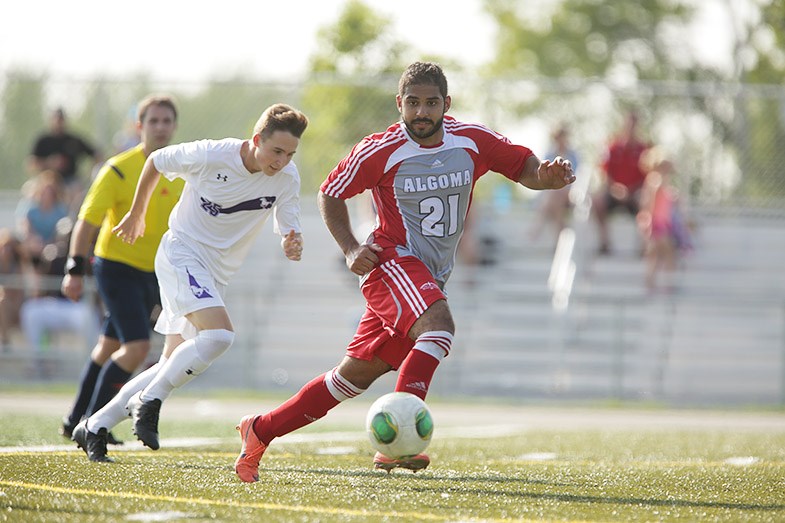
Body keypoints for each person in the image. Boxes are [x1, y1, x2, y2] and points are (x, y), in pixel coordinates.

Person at [232, 61, 575, 483]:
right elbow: (330, 192)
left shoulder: (472, 140)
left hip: (426, 276)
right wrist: (351, 247)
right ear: (400, 104)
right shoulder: (380, 148)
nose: (421, 112)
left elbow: (525, 169)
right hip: (390, 263)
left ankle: (259, 430)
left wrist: (548, 177)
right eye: (413, 103)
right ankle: (398, 447)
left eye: (431, 103)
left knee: (350, 379)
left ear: (446, 104)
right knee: (439, 329)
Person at [71, 103, 309, 463]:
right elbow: (156, 162)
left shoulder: (287, 175)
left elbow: (288, 222)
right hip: (181, 252)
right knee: (219, 336)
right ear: (256, 139)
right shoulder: (213, 154)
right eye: (276, 151)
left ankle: (95, 425)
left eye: (289, 153)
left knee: (169, 360)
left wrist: (292, 240)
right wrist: (137, 212)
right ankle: (151, 401)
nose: (281, 161)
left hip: (216, 272)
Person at [59, 95, 183, 444]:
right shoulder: (117, 169)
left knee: (108, 346)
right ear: (139, 126)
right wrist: (74, 268)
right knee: (138, 348)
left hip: (154, 273)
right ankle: (93, 423)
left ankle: (73, 420)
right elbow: (87, 221)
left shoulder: (181, 170)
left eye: (166, 121)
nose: (160, 127)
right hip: (116, 267)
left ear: (174, 127)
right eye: (153, 121)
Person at [592, 110, 650, 255]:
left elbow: (648, 176)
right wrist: (616, 189)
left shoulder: (643, 150)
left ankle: (643, 245)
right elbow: (604, 173)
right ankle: (604, 242)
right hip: (614, 192)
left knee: (647, 201)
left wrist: (632, 190)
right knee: (597, 202)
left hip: (635, 193)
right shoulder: (612, 148)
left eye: (634, 125)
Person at [636, 147, 692, 292]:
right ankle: (667, 286)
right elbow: (651, 203)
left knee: (656, 255)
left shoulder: (659, 182)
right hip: (658, 224)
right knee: (666, 252)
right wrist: (650, 224)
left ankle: (654, 286)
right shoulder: (656, 180)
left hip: (662, 224)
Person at [29, 107, 102, 210]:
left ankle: (70, 221)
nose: (59, 122)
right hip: (47, 179)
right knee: (31, 192)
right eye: (57, 119)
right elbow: (31, 164)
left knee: (77, 193)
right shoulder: (43, 140)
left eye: (61, 119)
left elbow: (96, 154)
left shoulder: (73, 140)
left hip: (70, 180)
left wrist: (89, 173)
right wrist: (50, 163)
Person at [529, 125, 580, 243]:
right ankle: (561, 237)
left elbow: (576, 177)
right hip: (554, 194)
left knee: (552, 199)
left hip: (570, 192)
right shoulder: (549, 155)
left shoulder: (573, 155)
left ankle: (537, 227)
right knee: (555, 204)